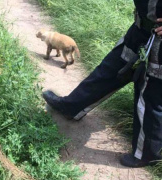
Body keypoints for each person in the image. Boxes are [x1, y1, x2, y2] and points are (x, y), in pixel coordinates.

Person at [42, 0, 162, 168]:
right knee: (109, 71)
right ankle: (71, 107)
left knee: (148, 96)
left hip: (159, 41)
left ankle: (146, 155)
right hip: (139, 30)